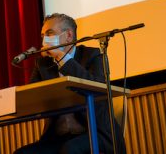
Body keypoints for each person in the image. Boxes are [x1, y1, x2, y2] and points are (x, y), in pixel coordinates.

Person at [14, 13, 126, 154]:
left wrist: (62, 58)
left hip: (95, 134)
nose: (45, 40)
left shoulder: (92, 55)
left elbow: (98, 86)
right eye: (43, 36)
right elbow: (32, 96)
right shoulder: (42, 64)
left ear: (68, 35)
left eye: (50, 33)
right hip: (58, 138)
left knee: (70, 150)